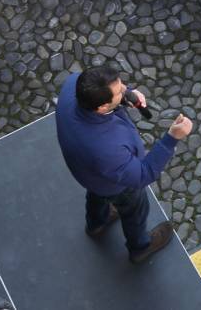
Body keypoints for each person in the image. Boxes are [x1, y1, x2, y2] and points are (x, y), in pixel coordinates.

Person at [55, 65, 192, 264]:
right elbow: (143, 174)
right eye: (119, 91)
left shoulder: (73, 85)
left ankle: (96, 224)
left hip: (89, 174)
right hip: (115, 184)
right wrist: (171, 138)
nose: (124, 89)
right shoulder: (106, 149)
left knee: (97, 194)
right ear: (102, 107)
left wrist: (126, 94)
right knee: (135, 208)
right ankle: (140, 247)